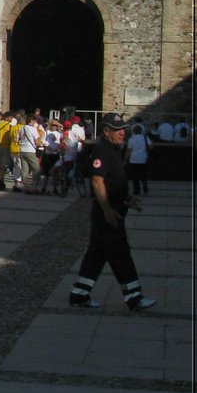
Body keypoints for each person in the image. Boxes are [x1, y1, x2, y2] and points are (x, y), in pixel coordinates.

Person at [70, 113, 156, 311]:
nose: (122, 133)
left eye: (123, 129)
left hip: (114, 209)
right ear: (106, 131)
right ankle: (134, 297)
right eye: (117, 130)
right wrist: (107, 209)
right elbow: (97, 181)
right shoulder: (102, 151)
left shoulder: (113, 150)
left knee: (97, 254)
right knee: (120, 254)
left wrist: (127, 200)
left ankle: (79, 294)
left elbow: (112, 182)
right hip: (108, 213)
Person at [126, 121, 153, 195]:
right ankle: (145, 187)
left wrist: (125, 159)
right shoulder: (145, 138)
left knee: (135, 177)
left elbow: (129, 151)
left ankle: (136, 191)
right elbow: (151, 147)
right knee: (143, 175)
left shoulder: (131, 140)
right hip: (143, 159)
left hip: (134, 159)